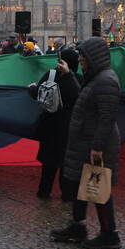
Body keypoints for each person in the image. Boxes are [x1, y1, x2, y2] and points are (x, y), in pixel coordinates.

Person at [50, 37, 122, 249]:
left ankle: (110, 235)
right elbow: (85, 96)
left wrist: (97, 147)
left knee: (100, 190)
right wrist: (70, 75)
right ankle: (78, 226)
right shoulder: (96, 78)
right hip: (86, 142)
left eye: (84, 55)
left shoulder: (106, 80)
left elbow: (107, 117)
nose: (80, 59)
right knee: (82, 185)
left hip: (96, 145)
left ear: (94, 57)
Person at [28, 48, 81, 200]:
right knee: (66, 163)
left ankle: (44, 192)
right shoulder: (77, 79)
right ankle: (67, 195)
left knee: (48, 164)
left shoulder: (51, 75)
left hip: (50, 125)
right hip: (68, 127)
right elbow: (79, 97)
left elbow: (37, 93)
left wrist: (31, 88)